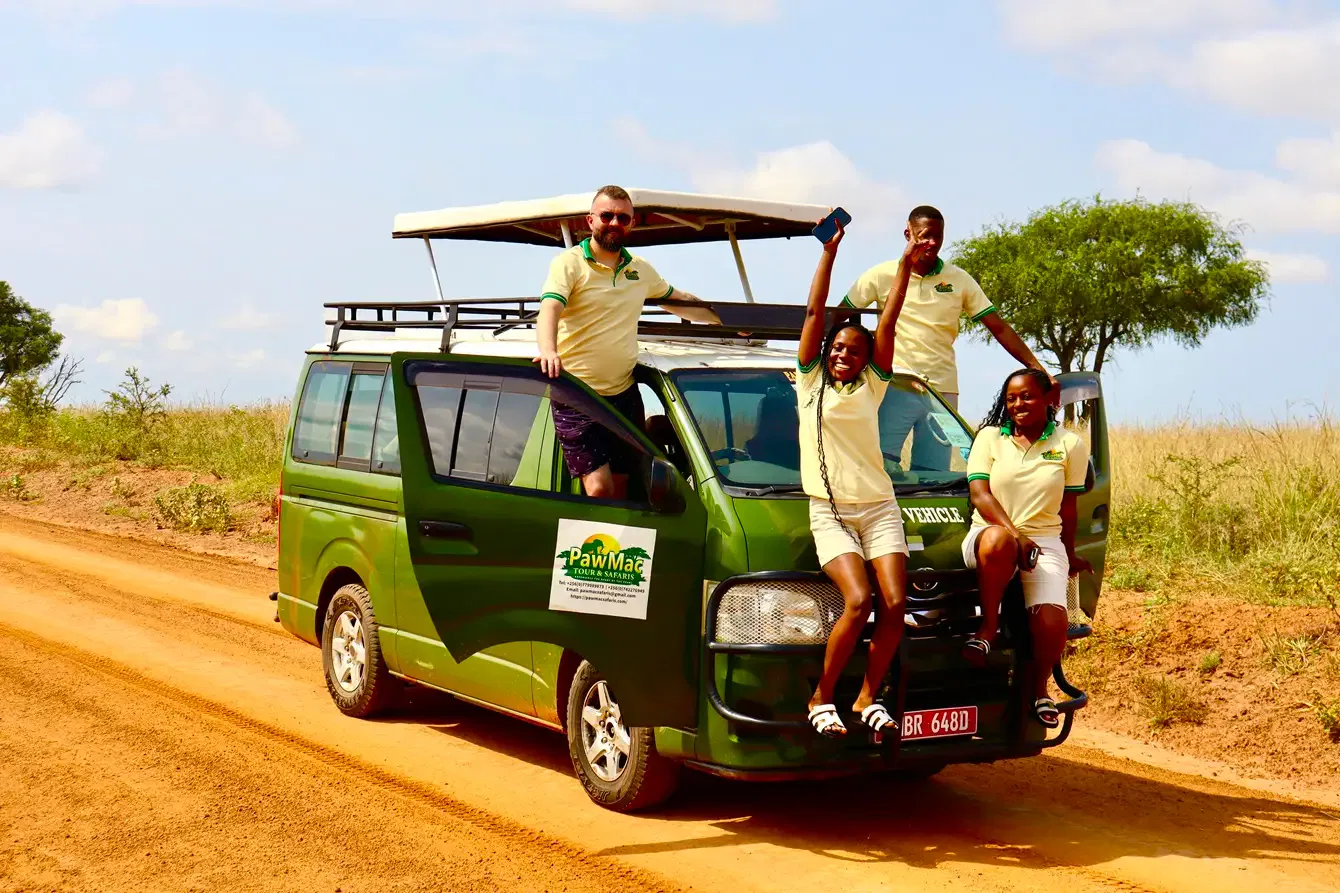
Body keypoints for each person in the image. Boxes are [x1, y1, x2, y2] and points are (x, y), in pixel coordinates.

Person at [798, 216, 926, 738]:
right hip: (828, 511)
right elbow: (814, 311)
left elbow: (889, 323)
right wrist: (829, 252)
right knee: (859, 600)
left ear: (867, 359)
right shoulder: (808, 381)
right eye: (837, 347)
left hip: (878, 507)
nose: (842, 354)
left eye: (853, 349)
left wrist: (903, 266)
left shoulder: (874, 387)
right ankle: (820, 698)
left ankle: (868, 696)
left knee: (895, 602)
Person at [535, 185, 719, 499]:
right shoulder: (569, 264)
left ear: (632, 224)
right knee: (599, 488)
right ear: (590, 220)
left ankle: (609, 547)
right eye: (607, 216)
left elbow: (675, 300)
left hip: (623, 393)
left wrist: (723, 319)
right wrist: (548, 350)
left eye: (623, 217)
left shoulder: (640, 270)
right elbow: (550, 306)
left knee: (626, 488)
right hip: (577, 394)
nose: (614, 223)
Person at [840, 205, 1054, 469]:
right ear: (908, 234)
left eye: (937, 237)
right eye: (924, 235)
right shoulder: (879, 275)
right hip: (895, 383)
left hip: (942, 389)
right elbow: (840, 316)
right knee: (881, 464)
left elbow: (998, 327)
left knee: (933, 470)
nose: (931, 243)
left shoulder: (958, 279)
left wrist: (1036, 367)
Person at [961, 368, 1092, 728]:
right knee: (1000, 540)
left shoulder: (1070, 446)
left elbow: (1068, 508)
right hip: (990, 536)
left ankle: (1039, 689)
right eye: (1011, 398)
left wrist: (1070, 552)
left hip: (1045, 539)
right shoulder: (989, 438)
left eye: (1027, 396)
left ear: (1049, 400)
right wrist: (1016, 535)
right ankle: (987, 630)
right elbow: (979, 494)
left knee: (1053, 622)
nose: (1018, 404)